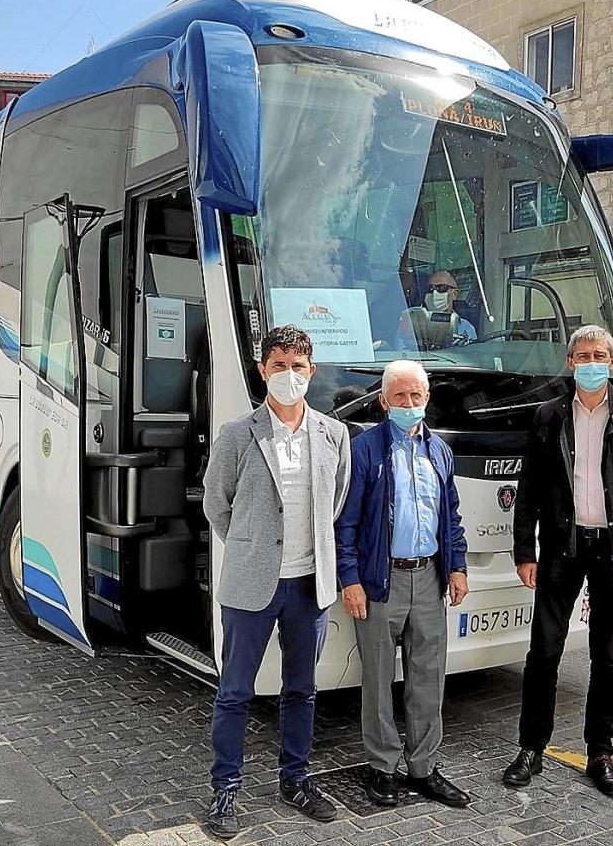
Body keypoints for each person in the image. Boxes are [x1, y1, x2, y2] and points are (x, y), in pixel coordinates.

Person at [502, 325, 613, 797]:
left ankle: (600, 752)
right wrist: (524, 552)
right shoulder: (548, 417)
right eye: (583, 355)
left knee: (607, 656)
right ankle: (531, 747)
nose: (592, 362)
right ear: (570, 362)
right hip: (562, 547)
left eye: (600, 354)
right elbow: (530, 492)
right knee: (543, 653)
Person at [203, 325, 351, 839]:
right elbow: (215, 504)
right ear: (263, 370)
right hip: (252, 586)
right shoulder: (238, 434)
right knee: (236, 691)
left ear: (311, 372)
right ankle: (225, 790)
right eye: (279, 365)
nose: (289, 375)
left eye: (298, 366)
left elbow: (334, 501)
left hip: (309, 587)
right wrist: (250, 548)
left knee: (302, 689)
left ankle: (296, 779)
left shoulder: (334, 434)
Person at [336, 359, 471, 809]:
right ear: (383, 401)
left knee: (428, 677)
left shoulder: (440, 451)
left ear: (427, 399)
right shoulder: (365, 451)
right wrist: (349, 579)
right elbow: (346, 522)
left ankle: (423, 768)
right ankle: (381, 767)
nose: (409, 404)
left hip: (429, 576)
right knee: (376, 678)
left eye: (416, 396)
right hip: (381, 580)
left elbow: (450, 516)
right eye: (400, 396)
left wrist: (458, 567)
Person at [398, 269, 477, 350]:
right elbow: (400, 351)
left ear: (455, 294)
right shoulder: (411, 319)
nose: (434, 293)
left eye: (441, 288)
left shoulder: (466, 328)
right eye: (430, 289)